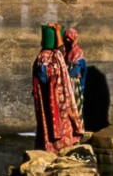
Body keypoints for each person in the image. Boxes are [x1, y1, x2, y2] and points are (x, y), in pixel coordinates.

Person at [31, 24, 83, 153]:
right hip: (58, 96)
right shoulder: (53, 56)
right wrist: (57, 30)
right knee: (61, 119)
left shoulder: (45, 56)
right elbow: (60, 49)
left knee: (51, 119)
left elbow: (42, 75)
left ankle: (51, 146)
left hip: (51, 95)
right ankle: (60, 147)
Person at [61, 27, 87, 119]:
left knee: (75, 106)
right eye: (66, 38)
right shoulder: (64, 53)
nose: (68, 40)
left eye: (70, 38)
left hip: (74, 84)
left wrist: (66, 77)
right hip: (66, 83)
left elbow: (77, 70)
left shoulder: (78, 52)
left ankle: (77, 128)